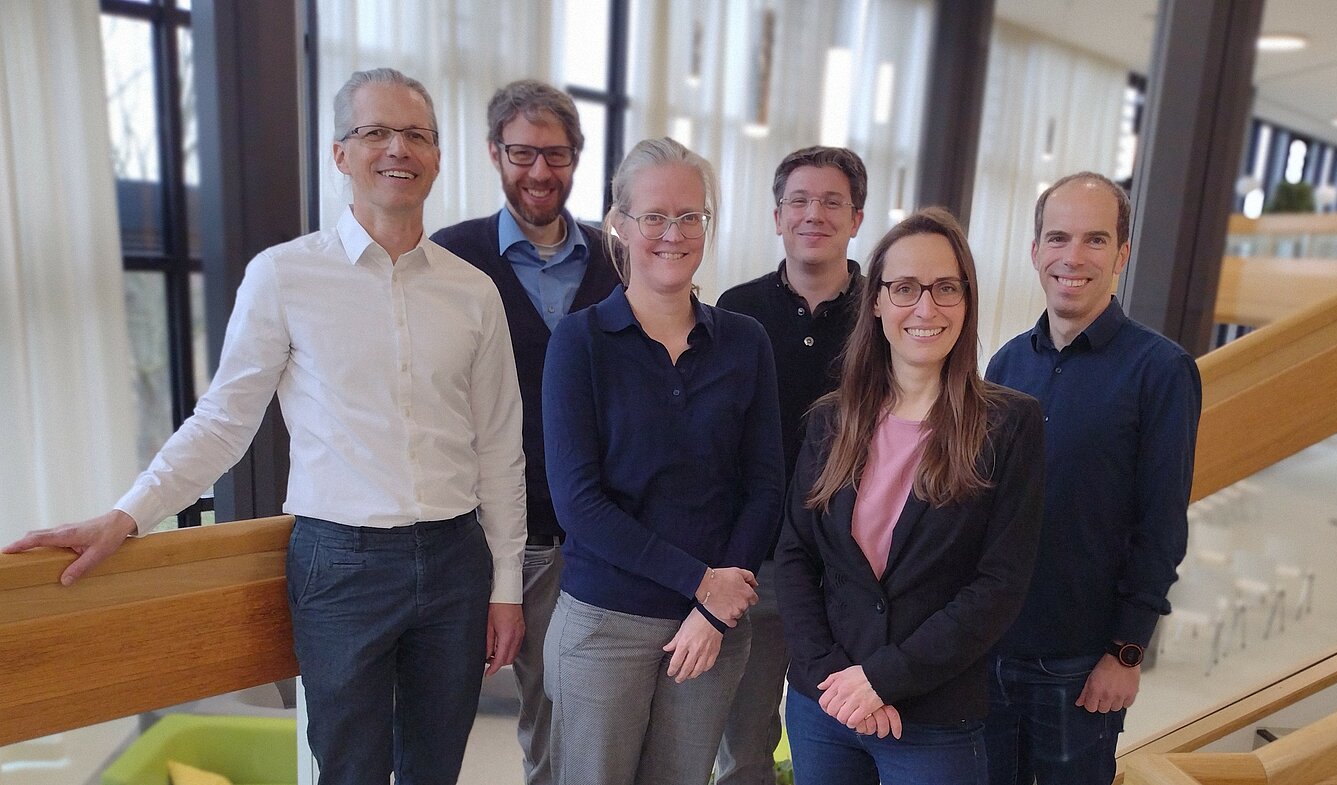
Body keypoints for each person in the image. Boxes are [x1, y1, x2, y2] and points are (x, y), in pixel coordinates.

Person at [4, 68, 527, 785]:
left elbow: (500, 447)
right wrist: (127, 515)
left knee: (435, 766)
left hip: (455, 561)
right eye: (375, 131)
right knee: (348, 768)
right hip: (340, 563)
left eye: (416, 134)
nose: (397, 148)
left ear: (437, 157)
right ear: (341, 154)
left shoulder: (473, 293)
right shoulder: (284, 276)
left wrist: (504, 585)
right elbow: (222, 424)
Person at [541, 136, 785, 785]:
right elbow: (579, 503)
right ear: (619, 224)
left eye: (690, 216)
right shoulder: (580, 341)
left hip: (713, 628)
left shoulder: (743, 340)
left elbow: (765, 486)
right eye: (654, 215)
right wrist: (703, 584)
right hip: (605, 623)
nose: (672, 233)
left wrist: (713, 609)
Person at [776, 207, 1045, 785]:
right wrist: (834, 679)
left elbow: (999, 586)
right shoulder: (831, 421)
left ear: (968, 302)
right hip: (825, 707)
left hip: (933, 720)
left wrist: (881, 681)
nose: (926, 308)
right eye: (904, 289)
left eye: (945, 288)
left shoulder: (1009, 425)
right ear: (875, 302)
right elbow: (796, 557)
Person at [983, 172, 1202, 785]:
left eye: (1095, 240)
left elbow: (1161, 525)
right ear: (1034, 252)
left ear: (1122, 255)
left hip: (1082, 665)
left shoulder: (1161, 370)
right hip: (989, 652)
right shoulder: (1007, 363)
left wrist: (1126, 651)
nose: (1072, 257)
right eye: (1057, 238)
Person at [431, 79, 619, 785]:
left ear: (577, 158)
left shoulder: (620, 260)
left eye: (556, 154)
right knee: (530, 714)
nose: (540, 172)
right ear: (492, 153)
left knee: (594, 714)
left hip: (606, 536)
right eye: (522, 153)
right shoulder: (449, 259)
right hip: (502, 536)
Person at [713, 145, 868, 785]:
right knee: (746, 743)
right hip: (754, 560)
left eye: (832, 201)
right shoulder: (735, 310)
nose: (815, 215)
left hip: (851, 569)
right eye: (799, 201)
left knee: (836, 739)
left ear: (857, 218)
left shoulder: (885, 314)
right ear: (777, 216)